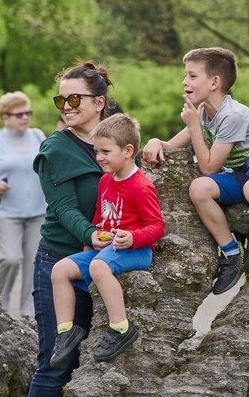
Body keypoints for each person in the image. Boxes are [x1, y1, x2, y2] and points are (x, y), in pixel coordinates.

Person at [142, 47, 249, 295]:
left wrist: (195, 128)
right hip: (242, 172)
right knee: (198, 189)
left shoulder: (232, 115)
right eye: (185, 75)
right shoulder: (204, 114)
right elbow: (174, 145)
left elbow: (209, 167)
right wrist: (156, 141)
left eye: (192, 76)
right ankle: (232, 253)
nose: (184, 81)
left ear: (215, 82)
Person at [20, 61, 112, 397]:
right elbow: (63, 209)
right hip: (59, 262)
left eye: (75, 98)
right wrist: (93, 234)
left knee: (99, 360)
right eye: (61, 99)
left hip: (106, 266)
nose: (66, 105)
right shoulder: (55, 149)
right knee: (57, 360)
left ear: (100, 103)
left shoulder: (115, 141)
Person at [48, 113, 165, 367]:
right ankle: (66, 331)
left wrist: (132, 237)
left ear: (128, 150)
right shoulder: (105, 181)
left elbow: (156, 226)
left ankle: (121, 328)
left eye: (105, 151)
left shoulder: (140, 186)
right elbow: (100, 216)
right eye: (97, 151)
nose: (99, 157)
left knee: (98, 266)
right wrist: (92, 241)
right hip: (107, 249)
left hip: (136, 250)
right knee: (60, 270)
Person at [0, 91, 46, 317]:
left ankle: (29, 314)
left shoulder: (37, 136)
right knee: (11, 259)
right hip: (7, 212)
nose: (25, 117)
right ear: (5, 117)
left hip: (38, 212)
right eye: (19, 114)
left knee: (35, 263)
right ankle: (1, 308)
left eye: (28, 113)